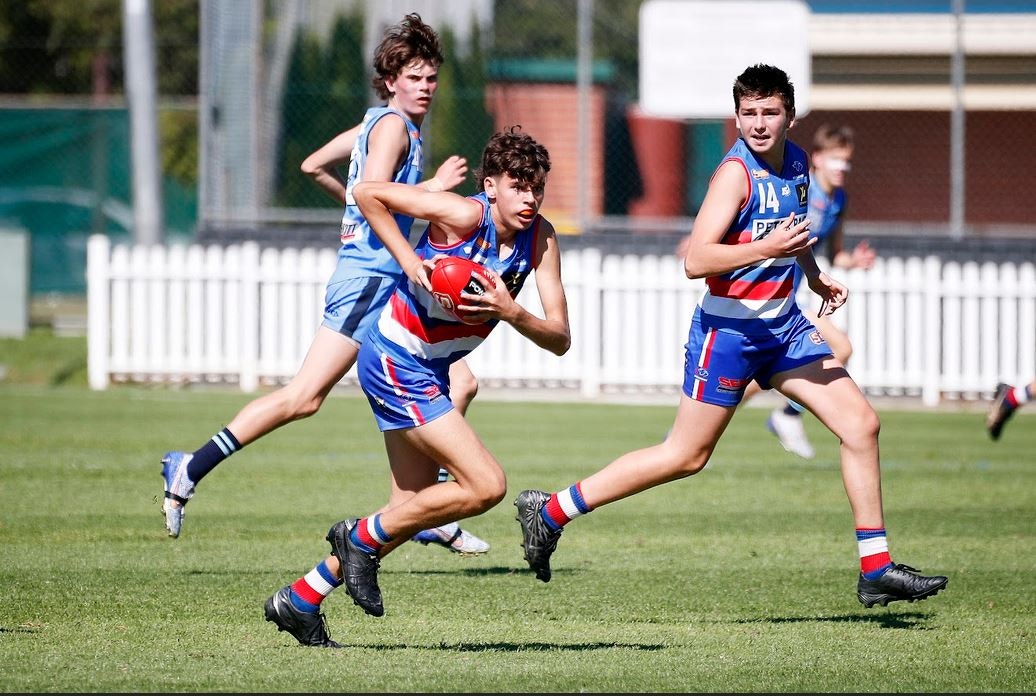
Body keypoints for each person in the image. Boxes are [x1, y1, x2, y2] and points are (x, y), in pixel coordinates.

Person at [514, 64, 948, 612]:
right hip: (729, 333)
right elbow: (697, 260)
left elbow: (793, 232)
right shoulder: (734, 176)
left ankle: (875, 568)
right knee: (685, 456)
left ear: (791, 115)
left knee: (861, 424)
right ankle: (551, 511)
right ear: (736, 116)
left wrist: (813, 275)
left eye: (770, 112)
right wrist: (767, 251)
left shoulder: (797, 163)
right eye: (749, 114)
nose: (759, 124)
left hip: (785, 326)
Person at [159, 13, 489, 557]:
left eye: (432, 78)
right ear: (390, 80)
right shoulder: (390, 127)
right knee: (305, 397)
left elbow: (314, 166)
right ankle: (189, 466)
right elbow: (369, 189)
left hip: (378, 273)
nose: (426, 88)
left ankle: (420, 507)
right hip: (370, 279)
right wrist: (424, 197)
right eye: (415, 77)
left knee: (458, 383)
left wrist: (363, 220)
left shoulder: (373, 123)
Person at [263, 126, 570, 645]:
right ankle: (356, 536)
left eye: (536, 186)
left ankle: (300, 599)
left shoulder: (541, 238)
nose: (530, 196)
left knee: (406, 511)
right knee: (487, 485)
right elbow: (367, 193)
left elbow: (560, 338)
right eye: (517, 185)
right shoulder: (463, 215)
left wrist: (511, 311)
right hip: (396, 359)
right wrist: (412, 263)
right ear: (490, 185)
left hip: (430, 369)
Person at [752, 123, 876, 459]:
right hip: (775, 290)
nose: (842, 169)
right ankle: (786, 415)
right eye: (836, 160)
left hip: (799, 294)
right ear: (817, 159)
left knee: (753, 375)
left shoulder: (839, 200)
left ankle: (701, 421)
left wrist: (854, 261)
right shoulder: (800, 188)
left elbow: (835, 253)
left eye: (847, 162)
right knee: (841, 348)